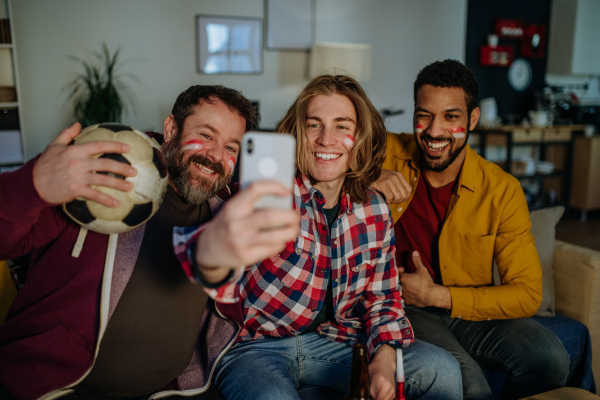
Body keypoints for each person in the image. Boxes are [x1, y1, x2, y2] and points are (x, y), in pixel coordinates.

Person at [0, 85, 300, 399]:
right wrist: (33, 183)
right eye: (207, 135)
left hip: (168, 392)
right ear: (172, 128)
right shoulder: (105, 174)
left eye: (231, 148)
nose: (215, 156)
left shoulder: (229, 212)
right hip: (58, 388)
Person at [175, 75, 462, 400]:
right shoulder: (265, 196)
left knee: (443, 369)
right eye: (314, 125)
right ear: (299, 133)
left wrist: (383, 358)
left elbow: (384, 300)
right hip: (254, 349)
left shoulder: (374, 209)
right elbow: (210, 263)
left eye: (342, 126)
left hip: (339, 341)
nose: (327, 139)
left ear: (360, 137)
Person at [371, 59, 569, 400]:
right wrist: (369, 177)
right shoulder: (386, 151)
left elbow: (527, 294)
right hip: (404, 307)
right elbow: (317, 153)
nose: (434, 131)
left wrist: (438, 295)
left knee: (550, 358)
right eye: (425, 115)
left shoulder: (502, 189)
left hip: (468, 308)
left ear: (472, 119)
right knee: (469, 385)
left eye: (451, 117)